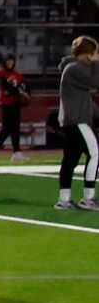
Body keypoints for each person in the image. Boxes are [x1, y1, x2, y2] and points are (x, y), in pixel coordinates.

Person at [54, 35, 99, 211]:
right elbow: (96, 82)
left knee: (70, 160)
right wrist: (96, 64)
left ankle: (64, 200)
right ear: (88, 53)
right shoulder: (74, 68)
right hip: (77, 120)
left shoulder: (74, 68)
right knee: (95, 153)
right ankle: (88, 199)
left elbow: (85, 97)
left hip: (73, 119)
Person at [0, 52, 29, 160]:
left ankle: (16, 152)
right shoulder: (1, 72)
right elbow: (4, 87)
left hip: (16, 104)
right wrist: (19, 92)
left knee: (15, 129)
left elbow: (25, 87)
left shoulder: (18, 75)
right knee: (6, 128)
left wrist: (25, 94)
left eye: (12, 61)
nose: (10, 63)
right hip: (6, 104)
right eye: (8, 61)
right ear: (4, 62)